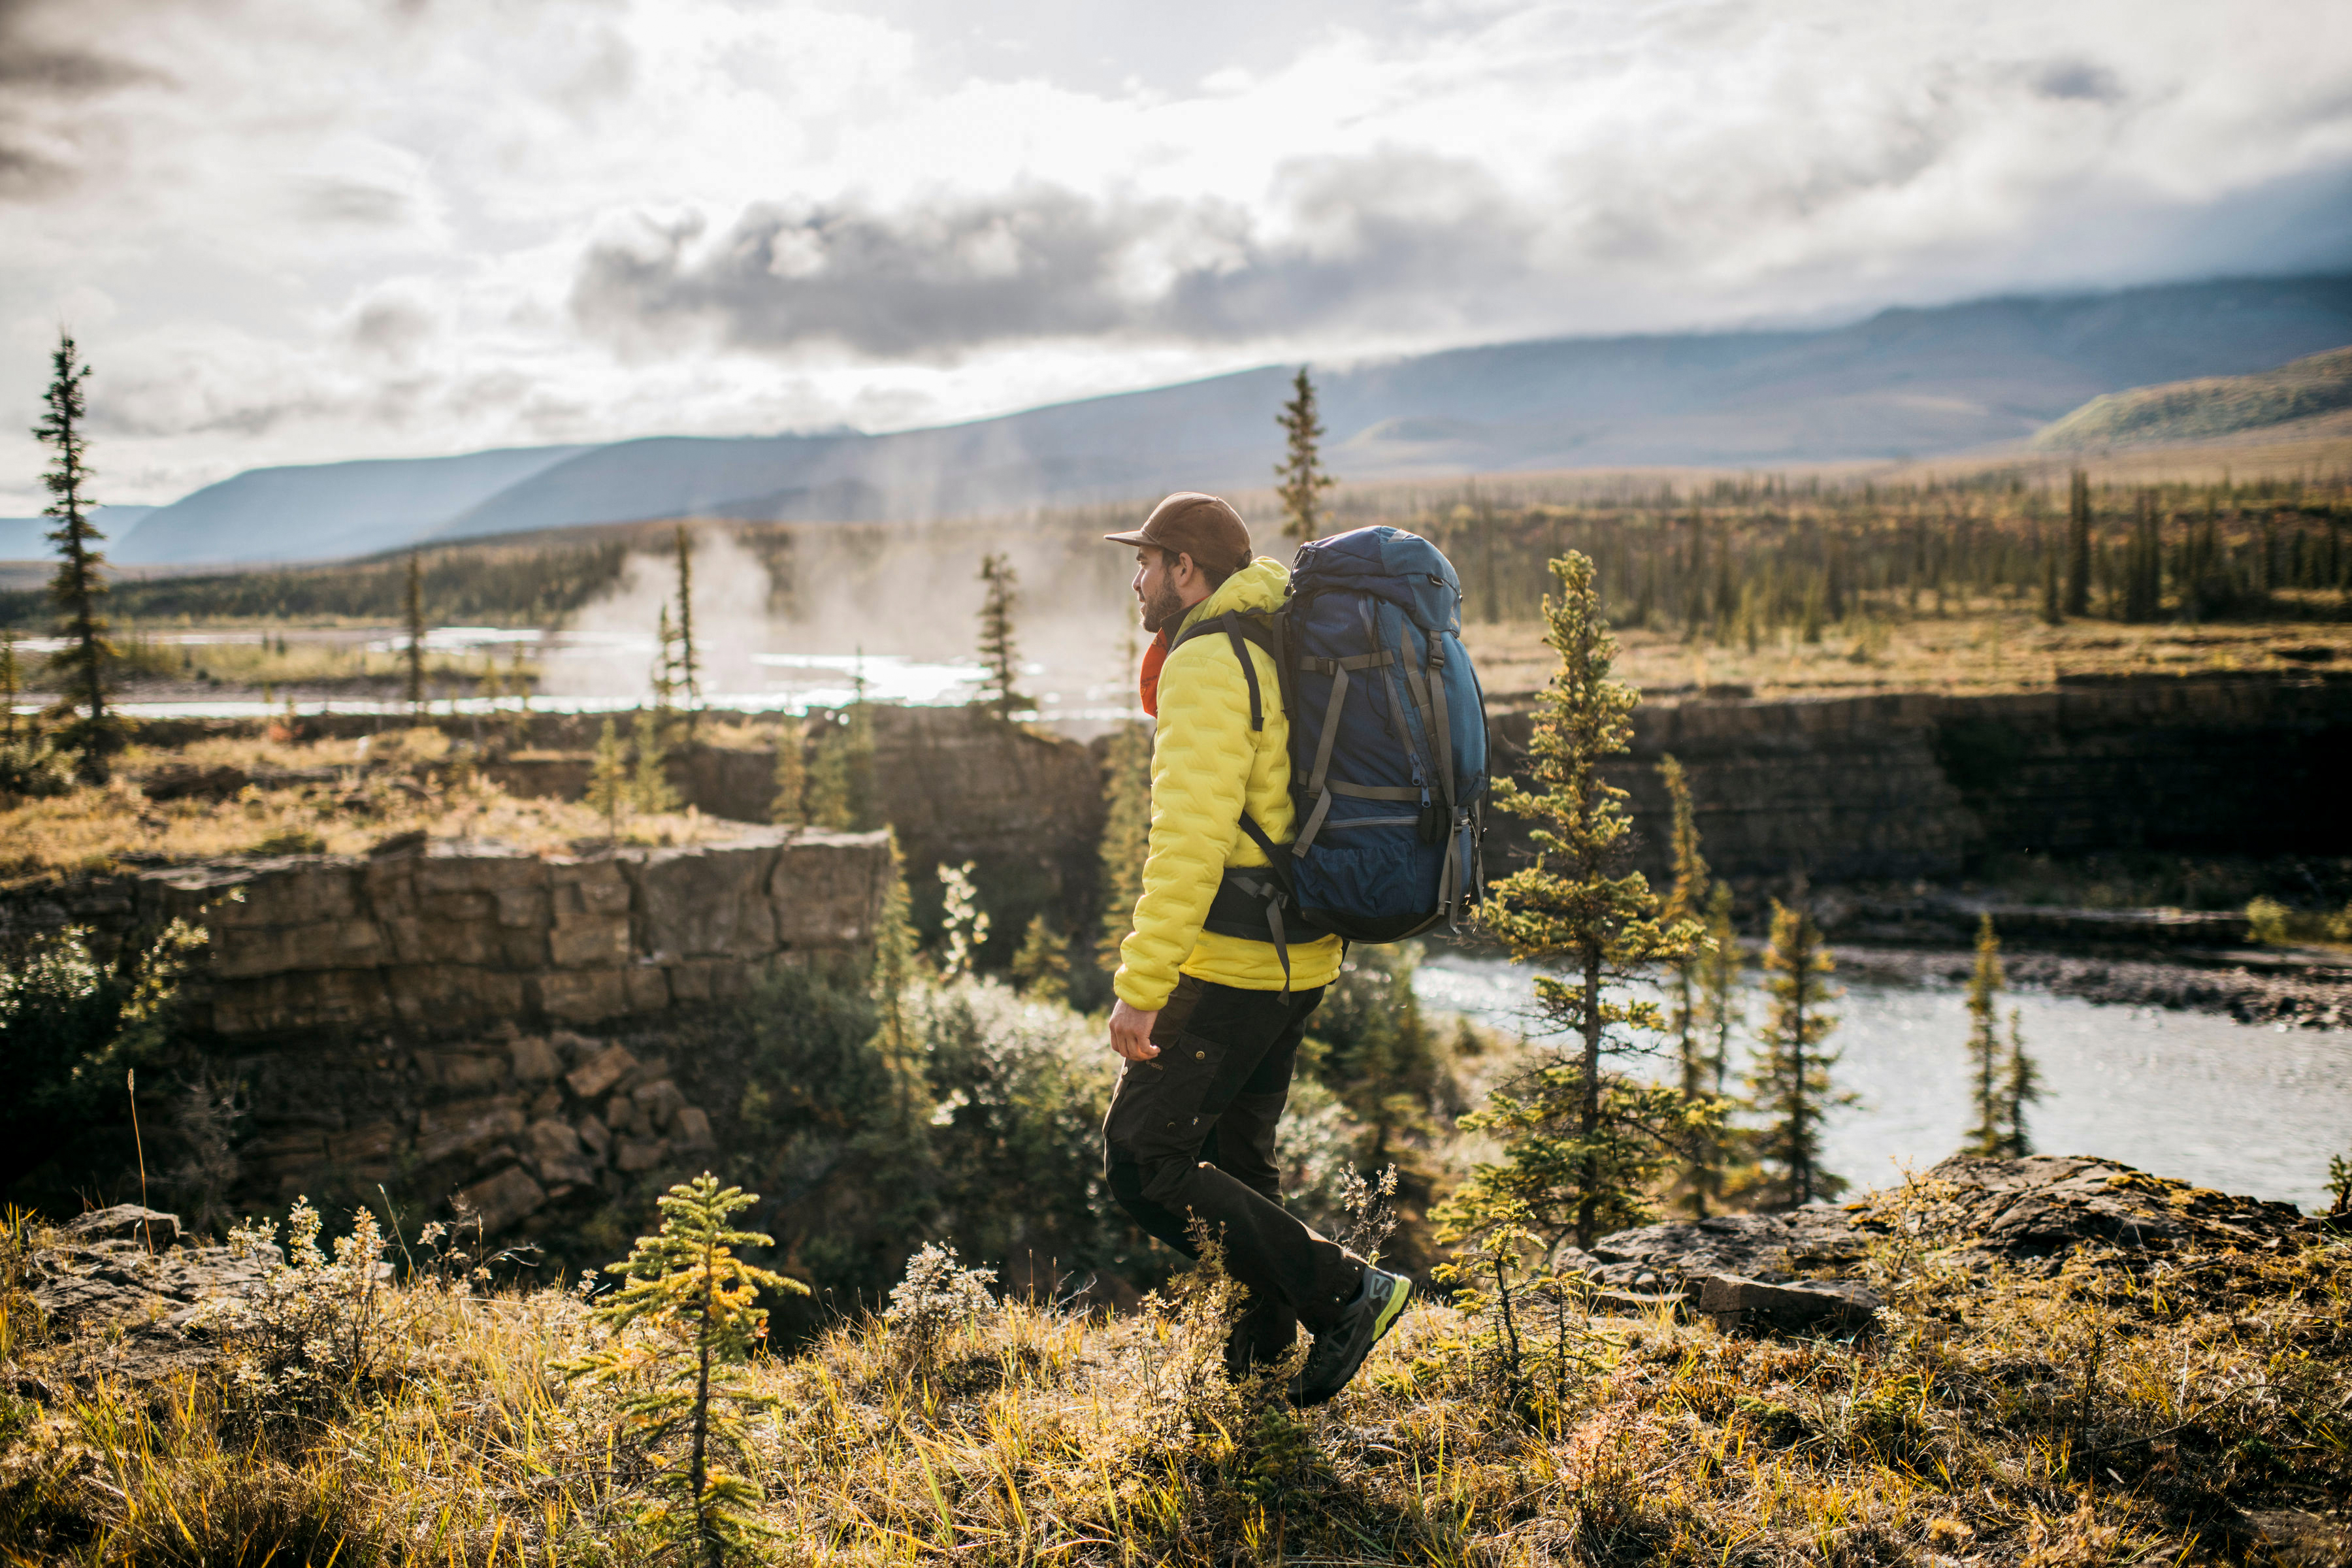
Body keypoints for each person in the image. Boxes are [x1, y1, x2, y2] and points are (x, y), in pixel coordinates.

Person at [1099, 491, 1411, 1405]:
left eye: (1149, 562)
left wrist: (1143, 986)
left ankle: (1347, 1293)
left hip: (1231, 964)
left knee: (1141, 1162)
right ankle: (1259, 1360)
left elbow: (1189, 843)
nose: (1139, 579)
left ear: (1187, 571)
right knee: (1239, 1164)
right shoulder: (1274, 638)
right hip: (1301, 954)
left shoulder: (1206, 661)